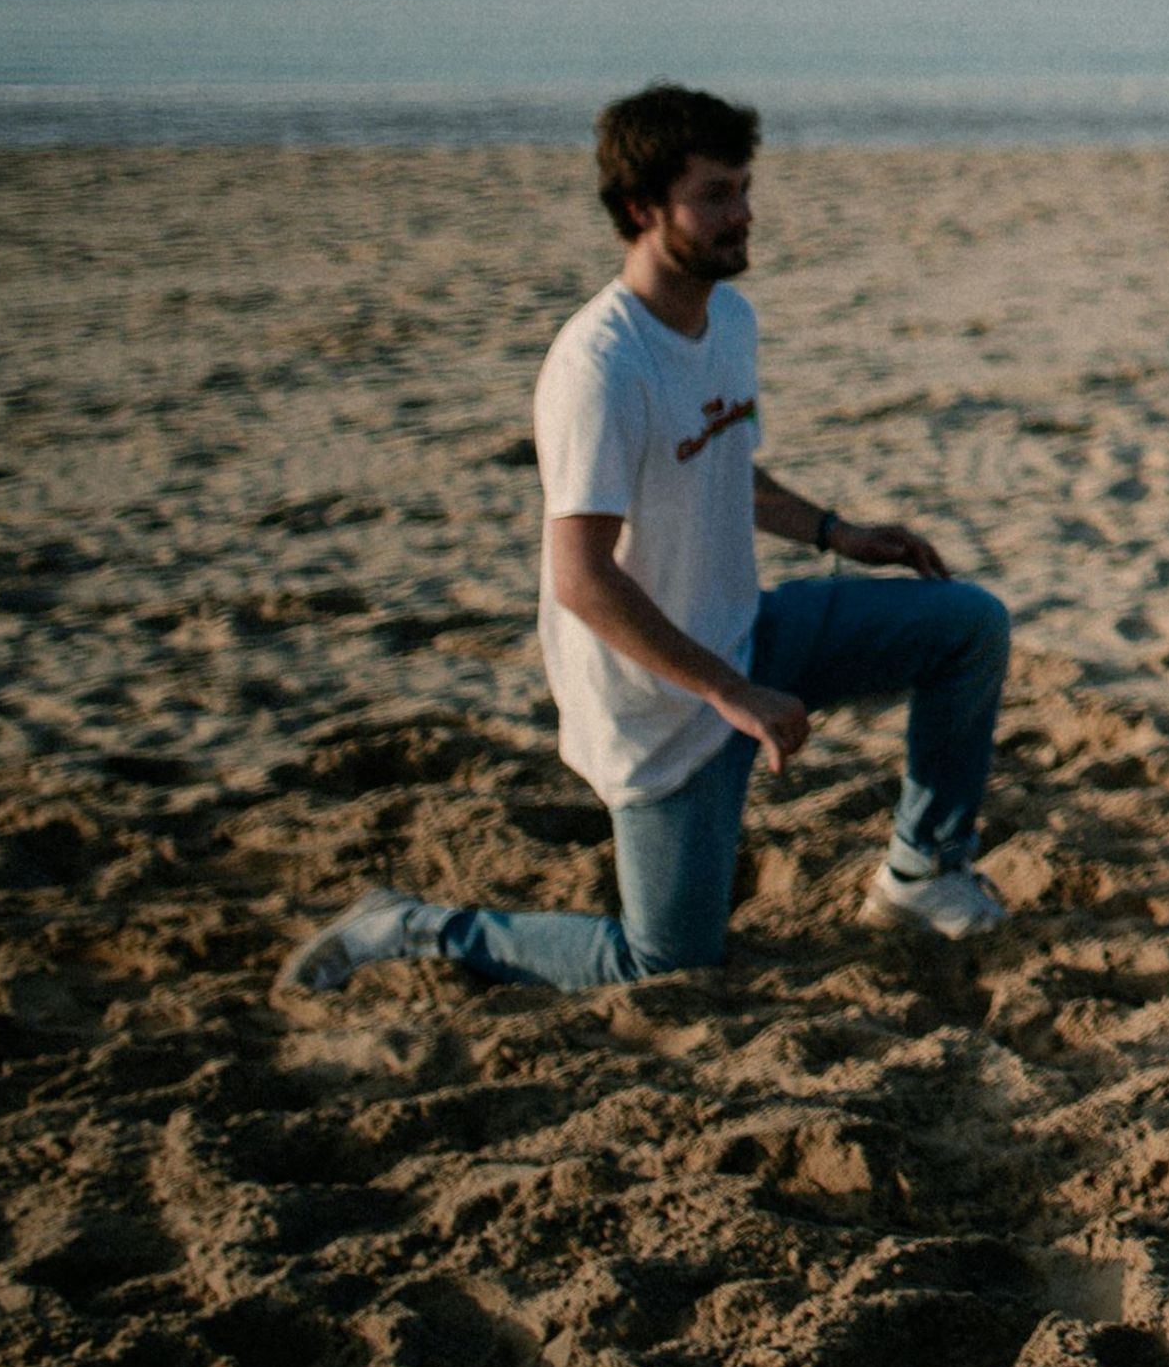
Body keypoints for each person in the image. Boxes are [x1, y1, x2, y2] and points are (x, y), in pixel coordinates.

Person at [284, 84, 1018, 993]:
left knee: (967, 625)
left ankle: (921, 873)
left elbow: (720, 467)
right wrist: (731, 693)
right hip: (660, 700)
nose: (742, 214)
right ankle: (407, 926)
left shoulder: (727, 320)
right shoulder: (599, 364)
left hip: (746, 630)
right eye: (715, 195)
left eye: (744, 188)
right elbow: (580, 579)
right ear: (642, 210)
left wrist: (837, 531)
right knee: (666, 963)